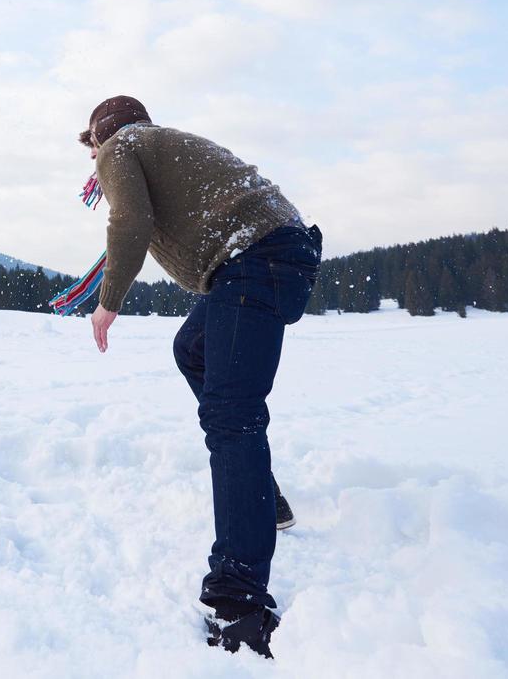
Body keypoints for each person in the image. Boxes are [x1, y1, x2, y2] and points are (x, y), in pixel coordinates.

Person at [80, 96, 320, 659]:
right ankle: (262, 498)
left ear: (102, 133)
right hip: (272, 255)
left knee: (231, 415)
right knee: (193, 348)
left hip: (252, 261)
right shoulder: (162, 145)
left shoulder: (123, 145)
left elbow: (129, 220)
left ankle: (241, 602)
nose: (91, 155)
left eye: (90, 142)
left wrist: (108, 301)